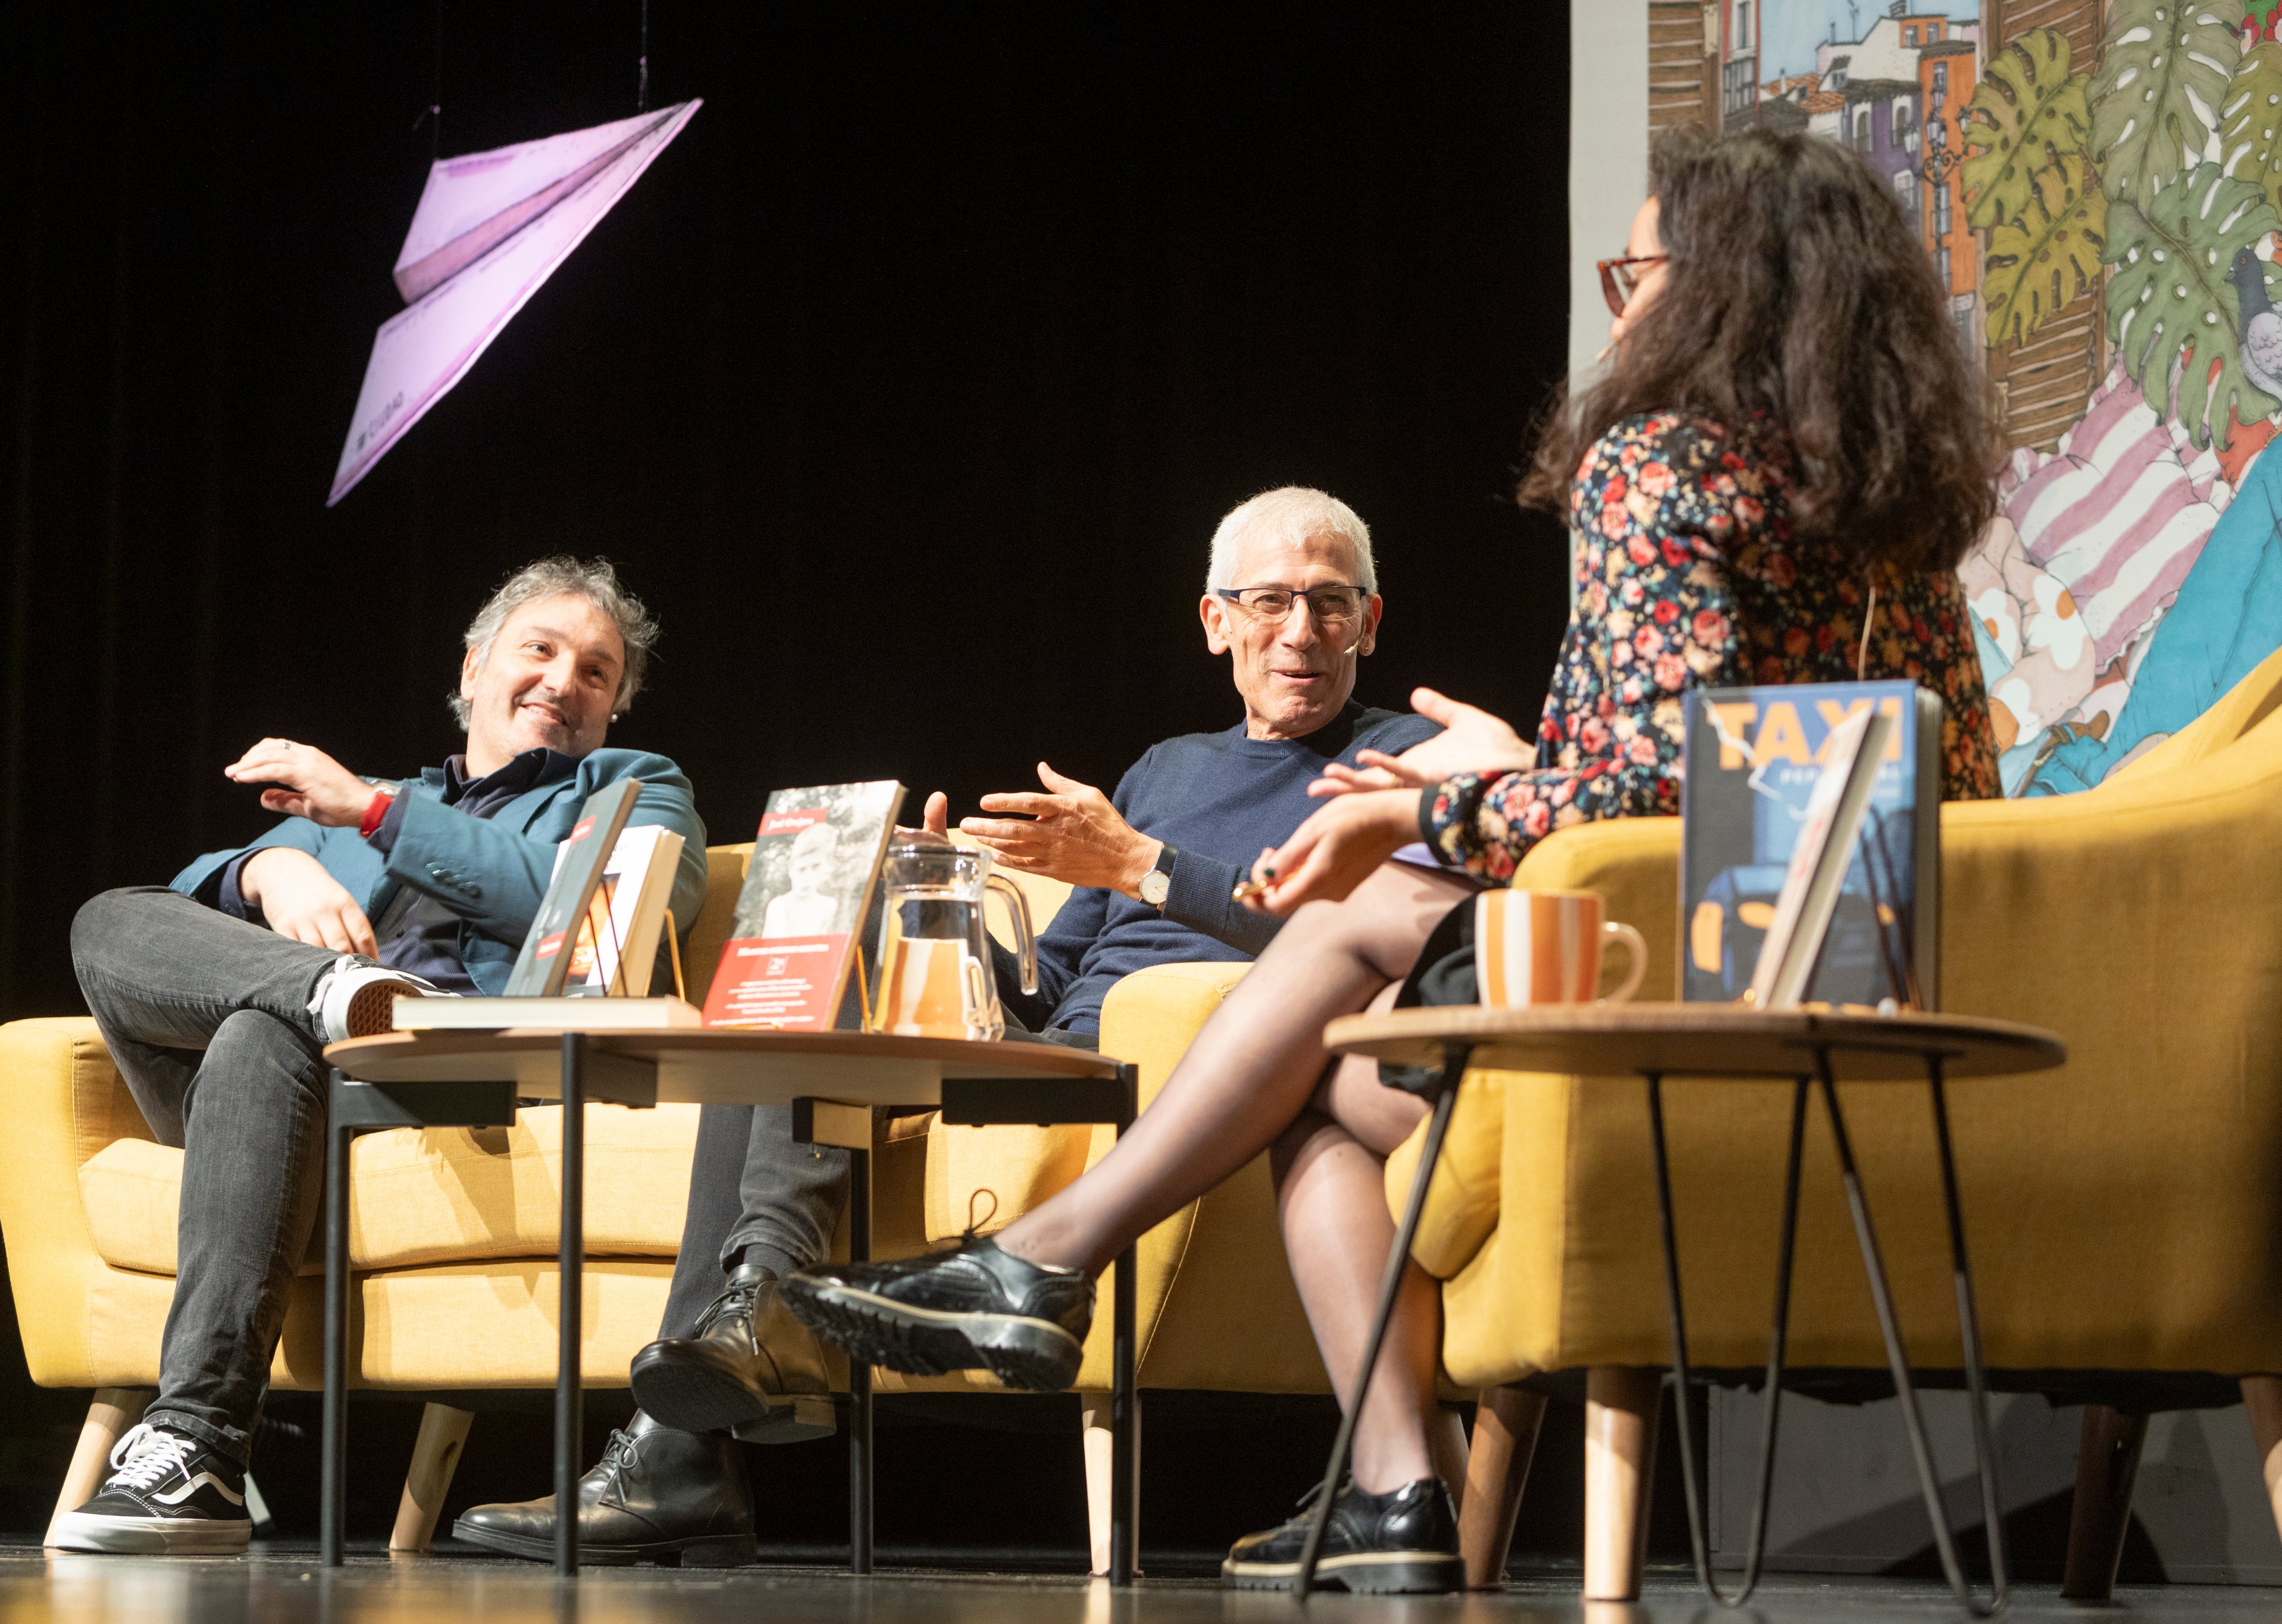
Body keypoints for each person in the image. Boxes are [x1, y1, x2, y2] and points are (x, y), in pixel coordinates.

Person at [780, 125, 2005, 1595]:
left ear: (1729, 289)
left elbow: (1660, 782)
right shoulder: (1897, 511)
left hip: (1661, 979)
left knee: (1389, 895)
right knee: (1314, 1094)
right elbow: (1928, 778)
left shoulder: (1661, 462)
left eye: (1642, 274)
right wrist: (1506, 781)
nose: (1622, 310)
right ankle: (1390, 1490)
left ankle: (1056, 1258)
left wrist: (1422, 808)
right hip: (1853, 983)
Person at [452, 485, 1441, 1565]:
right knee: (827, 933)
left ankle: (691, 1427)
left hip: (1185, 1066)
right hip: (1057, 1050)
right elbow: (1049, 981)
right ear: (1217, 622)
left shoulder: (1398, 760)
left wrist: (1145, 866)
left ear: (1371, 622)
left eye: (1331, 603)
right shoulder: (1166, 769)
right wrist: (944, 918)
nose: (1300, 632)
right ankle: (737, 1342)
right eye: (1269, 601)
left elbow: (1357, 941)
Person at [49, 557, 706, 1555]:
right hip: (286, 1078)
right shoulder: (366, 805)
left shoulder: (633, 786)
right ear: (476, 665)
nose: (565, 681)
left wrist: (370, 813)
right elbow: (181, 907)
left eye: (598, 671)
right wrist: (267, 867)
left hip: (450, 1081)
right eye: (540, 649)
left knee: (262, 1033)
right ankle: (327, 992)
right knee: (114, 920)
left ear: (615, 706)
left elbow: (607, 912)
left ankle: (195, 1444)